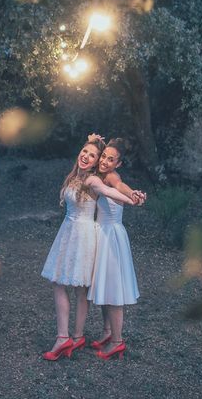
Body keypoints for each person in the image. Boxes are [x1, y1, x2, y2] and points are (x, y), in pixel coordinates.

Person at [41, 134, 135, 361]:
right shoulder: (76, 176)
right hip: (69, 231)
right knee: (75, 287)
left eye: (93, 155)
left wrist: (131, 196)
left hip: (82, 234)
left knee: (67, 284)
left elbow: (112, 190)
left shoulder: (93, 180)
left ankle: (67, 337)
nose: (87, 156)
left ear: (96, 163)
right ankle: (76, 336)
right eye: (86, 152)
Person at [87, 138, 145, 360]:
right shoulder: (99, 176)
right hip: (103, 233)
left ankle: (117, 341)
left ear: (118, 164)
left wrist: (133, 195)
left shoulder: (112, 176)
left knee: (113, 291)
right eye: (104, 156)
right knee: (104, 287)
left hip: (111, 236)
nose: (105, 161)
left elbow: (120, 186)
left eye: (111, 159)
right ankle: (108, 332)